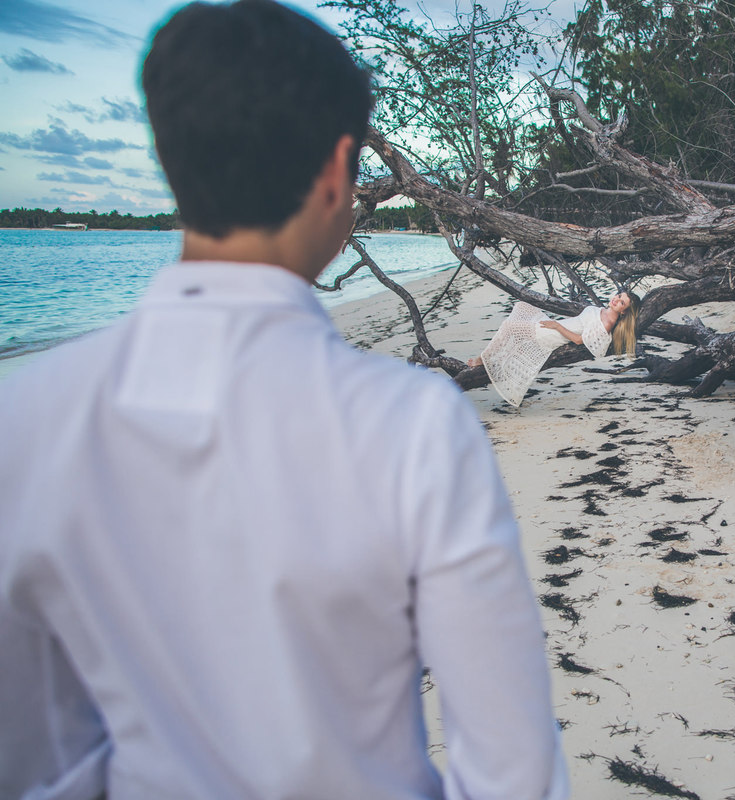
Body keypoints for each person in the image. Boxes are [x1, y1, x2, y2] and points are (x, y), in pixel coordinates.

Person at [0, 2, 568, 799]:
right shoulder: (413, 426)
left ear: (173, 157)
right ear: (338, 170)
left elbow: (33, 757)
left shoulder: (29, 417)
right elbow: (513, 773)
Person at [469, 291, 641, 406]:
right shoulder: (603, 310)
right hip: (556, 326)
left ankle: (484, 358)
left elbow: (579, 340)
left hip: (554, 333)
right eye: (619, 296)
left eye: (622, 302)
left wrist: (556, 326)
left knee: (510, 327)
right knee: (520, 308)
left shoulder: (607, 323)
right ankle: (495, 357)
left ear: (624, 312)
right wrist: (556, 324)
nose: (616, 300)